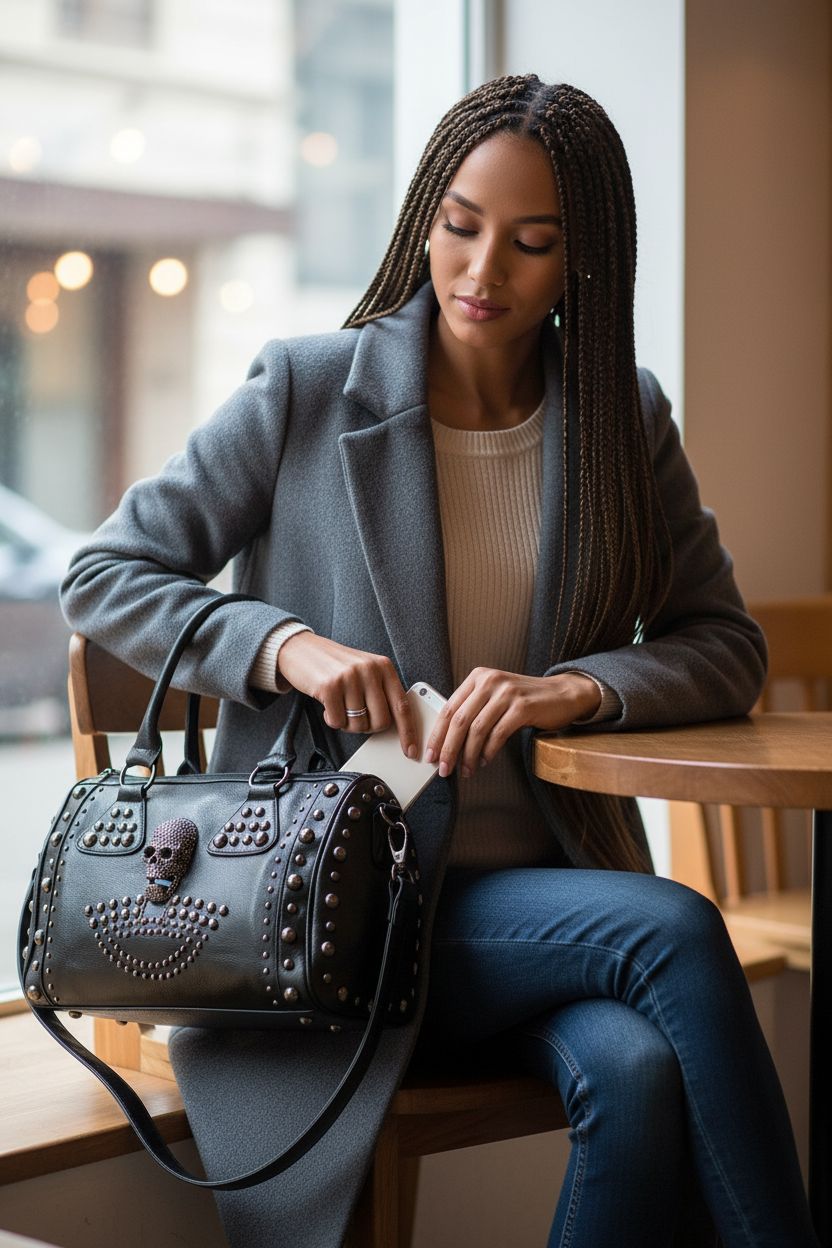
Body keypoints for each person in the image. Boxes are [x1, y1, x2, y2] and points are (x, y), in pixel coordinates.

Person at [60, 75, 819, 1248]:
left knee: (633, 1072)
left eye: (530, 243)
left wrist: (580, 685)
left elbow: (725, 645)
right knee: (670, 927)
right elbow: (104, 575)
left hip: (539, 904)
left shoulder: (621, 419)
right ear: (424, 212)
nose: (482, 272)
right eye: (460, 225)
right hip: (335, 912)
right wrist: (283, 646)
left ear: (584, 262)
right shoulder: (309, 387)